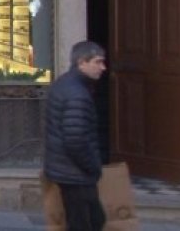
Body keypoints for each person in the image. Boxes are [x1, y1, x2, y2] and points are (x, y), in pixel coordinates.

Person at [43, 41, 107, 231]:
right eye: (98, 62)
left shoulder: (66, 84)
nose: (103, 67)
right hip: (74, 173)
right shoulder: (76, 94)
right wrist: (92, 167)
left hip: (67, 169)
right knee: (87, 222)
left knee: (91, 220)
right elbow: (75, 139)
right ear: (82, 63)